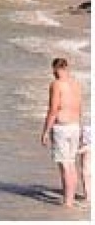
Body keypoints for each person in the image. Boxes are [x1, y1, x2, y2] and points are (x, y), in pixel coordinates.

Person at [41, 57, 83, 208]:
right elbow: (79, 107)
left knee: (65, 165)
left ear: (55, 69)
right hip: (75, 126)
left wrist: (45, 131)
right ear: (67, 68)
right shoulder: (77, 84)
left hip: (62, 128)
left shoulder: (56, 84)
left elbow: (53, 110)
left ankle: (68, 202)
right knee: (71, 164)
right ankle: (70, 198)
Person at [79, 124, 91, 207]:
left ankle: (88, 197)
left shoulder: (86, 147)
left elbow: (77, 152)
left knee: (86, 180)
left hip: (86, 172)